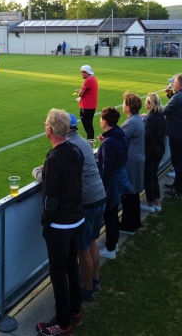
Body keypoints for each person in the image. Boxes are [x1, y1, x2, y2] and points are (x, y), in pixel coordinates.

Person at [32, 113, 106, 303]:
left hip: (83, 204)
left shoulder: (65, 151)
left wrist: (47, 221)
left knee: (81, 251)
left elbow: (53, 187)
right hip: (98, 196)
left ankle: (87, 290)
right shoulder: (78, 145)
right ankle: (95, 281)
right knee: (90, 243)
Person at [35, 109, 84, 336]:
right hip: (76, 219)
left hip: (61, 225)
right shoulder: (75, 150)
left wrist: (47, 221)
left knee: (58, 274)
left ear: (50, 130)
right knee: (72, 267)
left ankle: (63, 324)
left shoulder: (55, 158)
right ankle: (75, 310)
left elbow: (52, 197)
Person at [96, 107, 132, 260]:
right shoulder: (119, 134)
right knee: (113, 212)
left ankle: (111, 248)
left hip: (111, 184)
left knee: (110, 214)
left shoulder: (110, 142)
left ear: (104, 122)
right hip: (117, 180)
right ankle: (114, 243)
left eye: (100, 119)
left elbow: (107, 168)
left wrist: (102, 187)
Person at [162, 73, 182, 198]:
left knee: (178, 162)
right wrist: (171, 95)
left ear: (179, 84)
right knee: (180, 160)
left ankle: (179, 190)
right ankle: (177, 184)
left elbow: (164, 111)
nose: (172, 84)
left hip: (177, 133)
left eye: (174, 82)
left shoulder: (179, 97)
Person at [119, 92, 145, 235]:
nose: (122, 105)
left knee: (129, 193)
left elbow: (120, 140)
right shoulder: (137, 119)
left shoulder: (131, 123)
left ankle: (128, 225)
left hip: (131, 162)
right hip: (137, 159)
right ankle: (134, 222)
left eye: (124, 103)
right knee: (133, 194)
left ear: (128, 107)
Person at [142, 93, 166, 212]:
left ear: (150, 104)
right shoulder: (160, 115)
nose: (144, 103)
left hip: (150, 151)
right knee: (154, 176)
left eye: (146, 102)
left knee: (148, 177)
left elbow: (147, 136)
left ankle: (150, 203)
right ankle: (157, 202)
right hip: (159, 149)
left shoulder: (151, 118)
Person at [76, 65, 98, 140]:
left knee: (88, 127)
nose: (81, 74)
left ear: (86, 72)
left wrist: (78, 92)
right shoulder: (93, 79)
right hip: (91, 106)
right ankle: (90, 142)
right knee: (89, 126)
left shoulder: (88, 81)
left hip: (86, 107)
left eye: (81, 72)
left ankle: (90, 143)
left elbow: (80, 94)